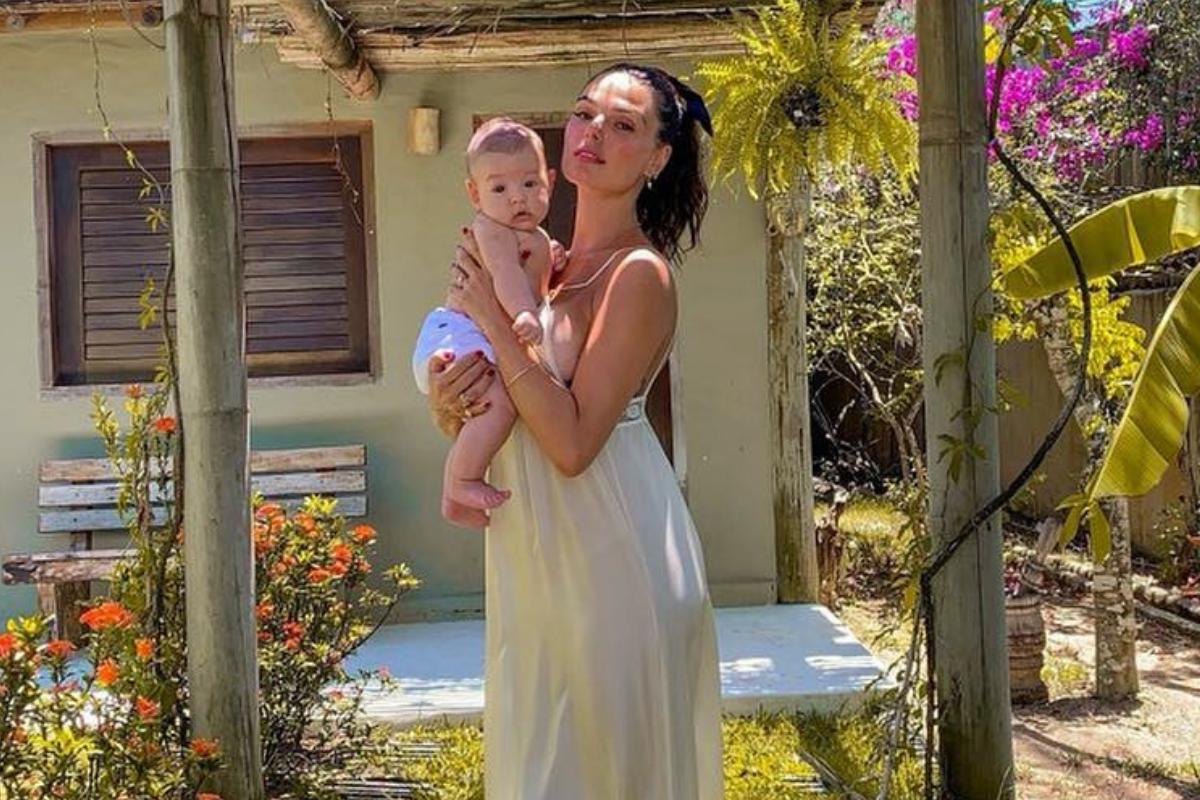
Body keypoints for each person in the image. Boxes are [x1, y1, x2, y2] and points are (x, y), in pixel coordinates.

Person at [427, 63, 724, 799]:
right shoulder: (543, 264)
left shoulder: (638, 275)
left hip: (614, 555)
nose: (592, 132)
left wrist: (493, 318)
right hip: (536, 555)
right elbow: (510, 405)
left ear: (656, 157)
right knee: (542, 765)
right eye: (585, 112)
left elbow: (571, 444)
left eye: (623, 125)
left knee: (606, 774)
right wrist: (451, 398)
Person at [411, 118, 563, 526]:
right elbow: (505, 274)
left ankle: (457, 493)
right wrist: (524, 312)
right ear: (474, 194)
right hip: (461, 333)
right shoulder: (492, 230)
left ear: (550, 182)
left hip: (472, 333)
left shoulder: (536, 237)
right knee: (499, 404)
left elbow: (534, 273)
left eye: (529, 183)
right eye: (499, 189)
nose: (517, 198)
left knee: (494, 403)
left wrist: (553, 262)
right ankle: (460, 481)